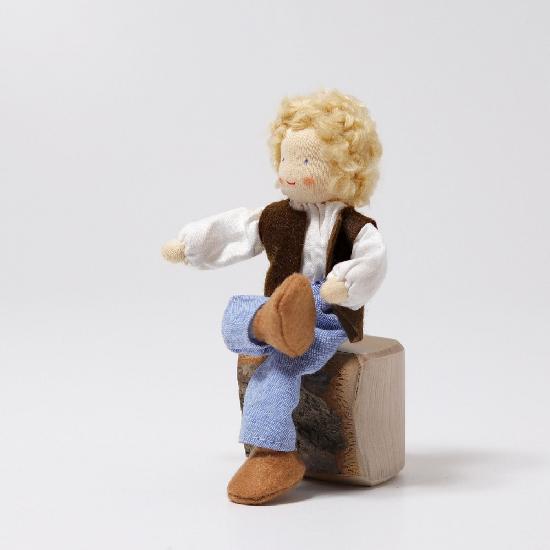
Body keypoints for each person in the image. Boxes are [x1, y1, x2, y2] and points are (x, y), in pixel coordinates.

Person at [162, 90, 387, 504]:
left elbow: (373, 260)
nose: (292, 173)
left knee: (279, 369)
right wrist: (190, 245)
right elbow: (236, 230)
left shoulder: (354, 226)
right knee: (237, 312)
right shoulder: (277, 216)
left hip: (325, 312)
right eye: (286, 159)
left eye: (308, 162)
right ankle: (275, 323)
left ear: (345, 168)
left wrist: (345, 285)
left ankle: (274, 453)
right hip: (278, 304)